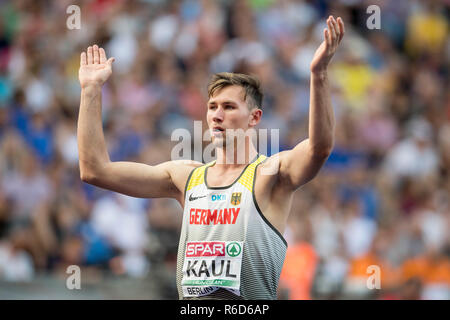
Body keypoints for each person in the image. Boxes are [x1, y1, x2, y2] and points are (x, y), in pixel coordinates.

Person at [77, 16, 345, 300]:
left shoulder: (270, 174)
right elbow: (95, 170)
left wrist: (319, 75)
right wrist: (91, 90)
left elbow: (319, 149)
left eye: (229, 107)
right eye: (212, 106)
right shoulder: (184, 177)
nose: (217, 114)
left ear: (254, 117)